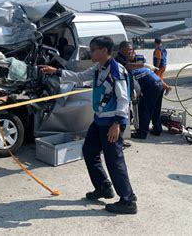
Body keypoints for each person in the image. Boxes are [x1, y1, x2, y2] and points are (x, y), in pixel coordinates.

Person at [39, 36, 137, 215]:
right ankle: (103, 187)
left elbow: (124, 99)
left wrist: (117, 124)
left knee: (114, 161)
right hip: (100, 120)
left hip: (111, 123)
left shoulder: (117, 71)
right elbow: (79, 76)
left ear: (104, 51)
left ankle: (128, 200)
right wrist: (56, 71)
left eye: (93, 49)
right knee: (89, 151)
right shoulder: (99, 68)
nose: (90, 52)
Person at [128, 49, 164, 139]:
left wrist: (137, 97)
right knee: (156, 108)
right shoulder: (143, 69)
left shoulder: (132, 73)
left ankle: (142, 133)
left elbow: (138, 89)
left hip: (152, 88)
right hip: (160, 85)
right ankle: (157, 129)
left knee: (144, 109)